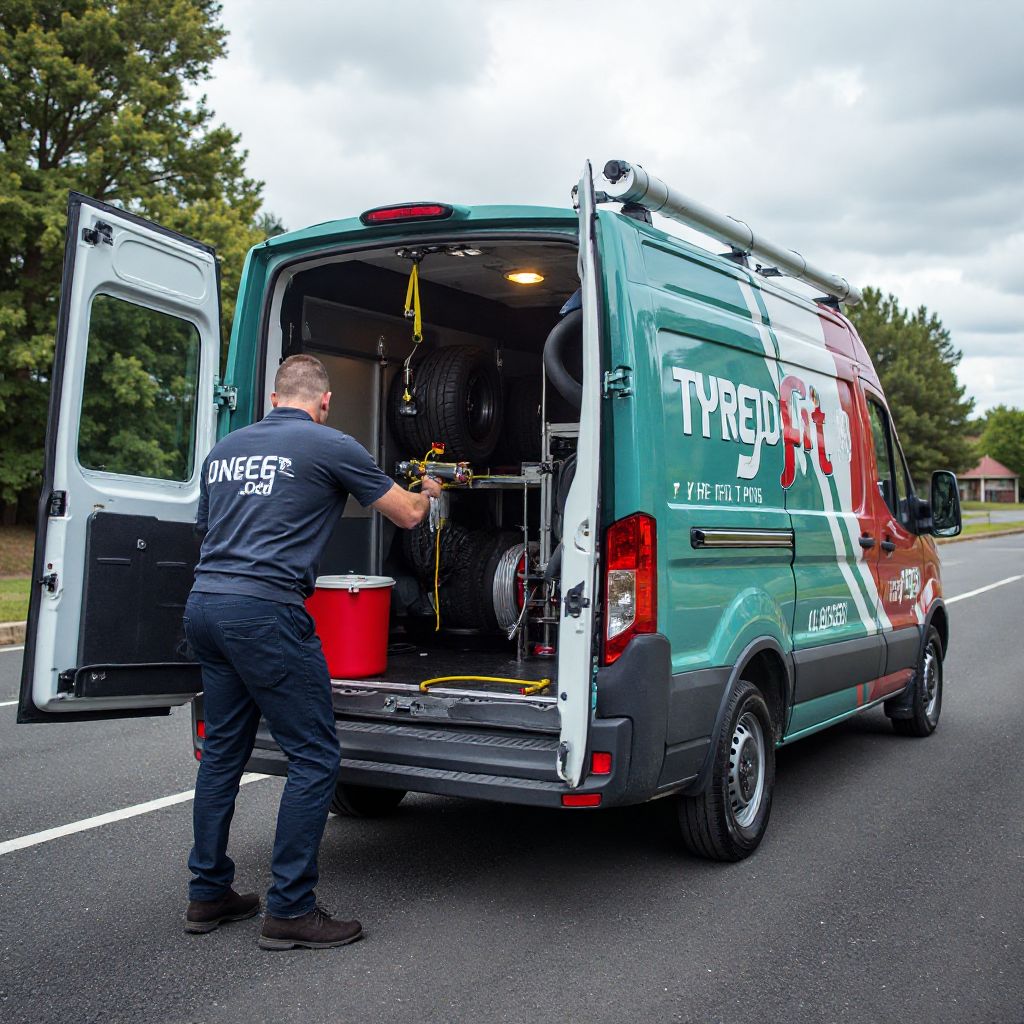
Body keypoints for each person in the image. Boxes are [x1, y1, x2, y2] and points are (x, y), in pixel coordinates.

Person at [182, 353, 441, 950]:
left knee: (222, 753)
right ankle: (291, 909)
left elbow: (206, 530)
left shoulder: (224, 451)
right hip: (265, 613)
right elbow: (406, 515)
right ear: (324, 402)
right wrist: (429, 491)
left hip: (206, 605)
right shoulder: (331, 443)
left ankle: (208, 893)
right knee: (315, 756)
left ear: (274, 399)